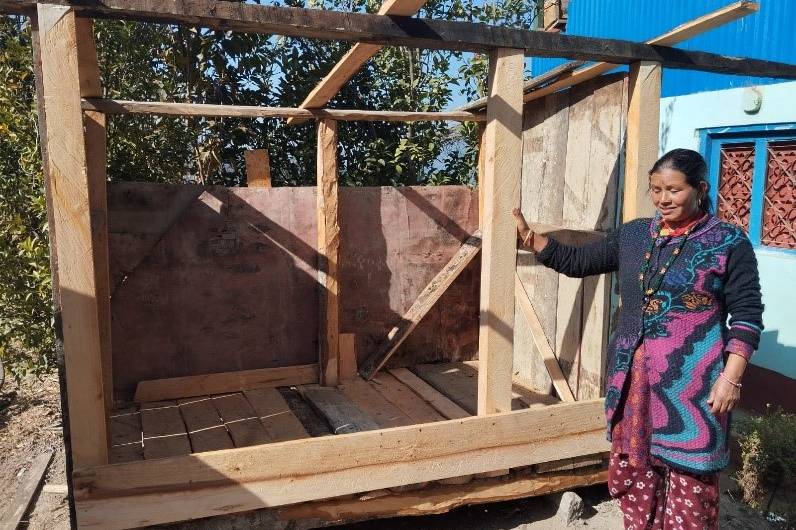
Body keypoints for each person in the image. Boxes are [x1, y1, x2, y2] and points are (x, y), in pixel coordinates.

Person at [513, 148, 764, 530]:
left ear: (700, 188)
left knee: (691, 481)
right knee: (637, 473)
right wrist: (533, 240)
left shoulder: (728, 242)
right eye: (656, 190)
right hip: (635, 381)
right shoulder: (634, 235)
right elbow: (581, 262)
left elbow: (747, 316)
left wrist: (730, 378)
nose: (663, 199)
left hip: (695, 386)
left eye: (674, 190)